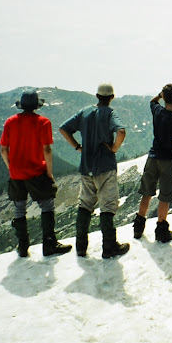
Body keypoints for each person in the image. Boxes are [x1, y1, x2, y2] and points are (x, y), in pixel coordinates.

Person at [59, 82, 130, 259]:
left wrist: (77, 147)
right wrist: (113, 149)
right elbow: (121, 131)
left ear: (97, 96)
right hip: (105, 166)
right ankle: (109, 247)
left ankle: (81, 247)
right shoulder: (110, 113)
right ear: (111, 98)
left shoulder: (84, 112)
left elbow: (63, 128)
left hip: (86, 166)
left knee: (85, 205)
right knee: (107, 207)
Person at [0, 89, 71, 257]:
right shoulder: (43, 122)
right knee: (47, 205)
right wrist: (49, 172)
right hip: (37, 172)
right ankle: (49, 244)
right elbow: (46, 149)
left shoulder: (10, 122)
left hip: (16, 173)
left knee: (19, 209)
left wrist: (11, 167)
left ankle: (23, 247)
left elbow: (3, 150)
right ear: (37, 106)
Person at [133, 84, 172, 242]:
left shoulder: (157, 111)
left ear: (164, 97)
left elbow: (152, 101)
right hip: (167, 160)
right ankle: (161, 231)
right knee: (165, 196)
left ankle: (138, 228)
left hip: (153, 157)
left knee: (147, 193)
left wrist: (160, 95)